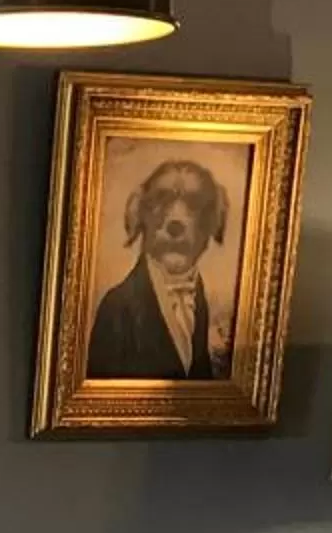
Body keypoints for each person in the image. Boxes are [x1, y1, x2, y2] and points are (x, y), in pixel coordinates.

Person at [87, 155, 233, 383]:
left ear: (213, 221)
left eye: (195, 204)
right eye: (160, 201)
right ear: (139, 216)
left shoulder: (199, 299)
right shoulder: (117, 307)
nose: (176, 219)